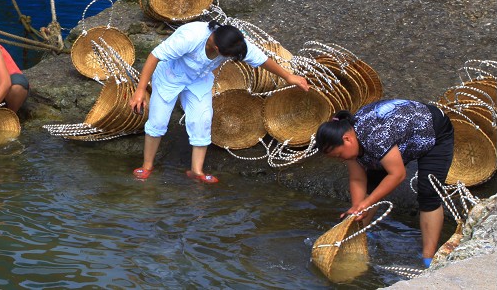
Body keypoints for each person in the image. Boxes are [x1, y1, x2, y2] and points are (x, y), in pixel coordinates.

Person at [128, 20, 310, 183]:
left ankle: (196, 171)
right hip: (170, 75)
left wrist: (288, 76)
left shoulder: (233, 41)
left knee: (202, 120)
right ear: (216, 47)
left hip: (199, 79)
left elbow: (262, 60)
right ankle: (147, 165)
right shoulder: (191, 37)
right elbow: (155, 56)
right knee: (158, 121)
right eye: (228, 56)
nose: (230, 58)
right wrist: (140, 90)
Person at [315, 99, 455, 267]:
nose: (341, 159)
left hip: (434, 132)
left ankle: (428, 258)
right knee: (372, 187)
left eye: (339, 155)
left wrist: (366, 203)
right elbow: (357, 179)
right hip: (399, 141)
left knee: (428, 193)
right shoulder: (351, 141)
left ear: (347, 139)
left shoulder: (375, 137)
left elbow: (397, 175)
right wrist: (357, 209)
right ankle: (359, 235)